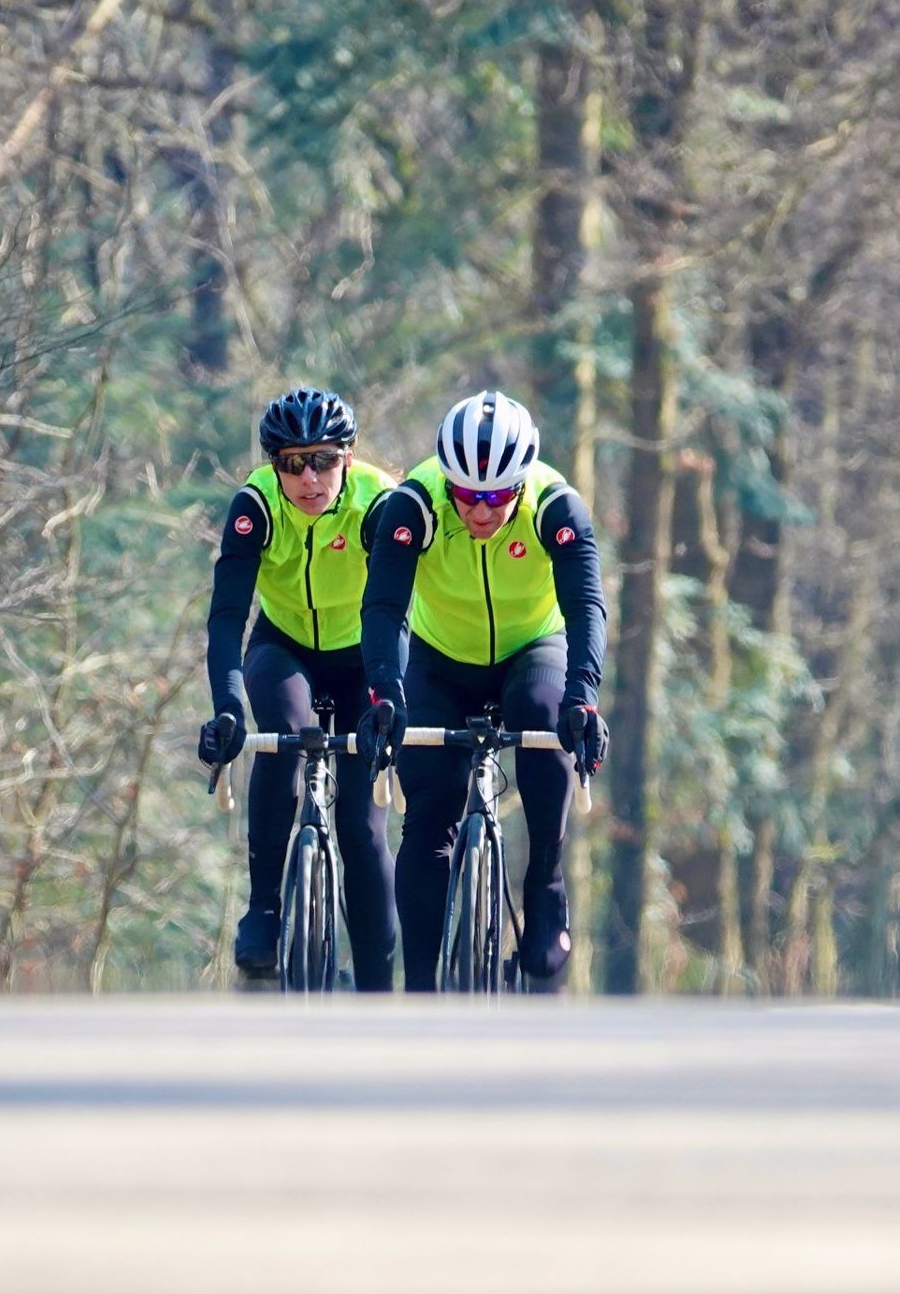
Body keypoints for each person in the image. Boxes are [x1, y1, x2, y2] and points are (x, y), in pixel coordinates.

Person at [356, 390, 609, 989]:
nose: (482, 511)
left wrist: (584, 696)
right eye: (467, 495)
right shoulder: (414, 504)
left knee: (545, 715)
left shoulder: (555, 505)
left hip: (532, 652)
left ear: (520, 483)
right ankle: (420, 984)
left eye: (497, 496)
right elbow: (384, 607)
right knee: (429, 816)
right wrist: (384, 694)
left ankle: (544, 882)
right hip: (440, 661)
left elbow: (585, 605)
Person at [198, 387, 399, 989]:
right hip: (282, 646)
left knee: (362, 827)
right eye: (291, 463)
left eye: (325, 460)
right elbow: (227, 619)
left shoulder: (381, 504)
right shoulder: (254, 507)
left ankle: (374, 982)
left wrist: (390, 693)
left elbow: (396, 608)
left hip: (364, 655)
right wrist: (228, 707)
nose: (309, 478)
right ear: (272, 464)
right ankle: (264, 908)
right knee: (287, 738)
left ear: (350, 456)